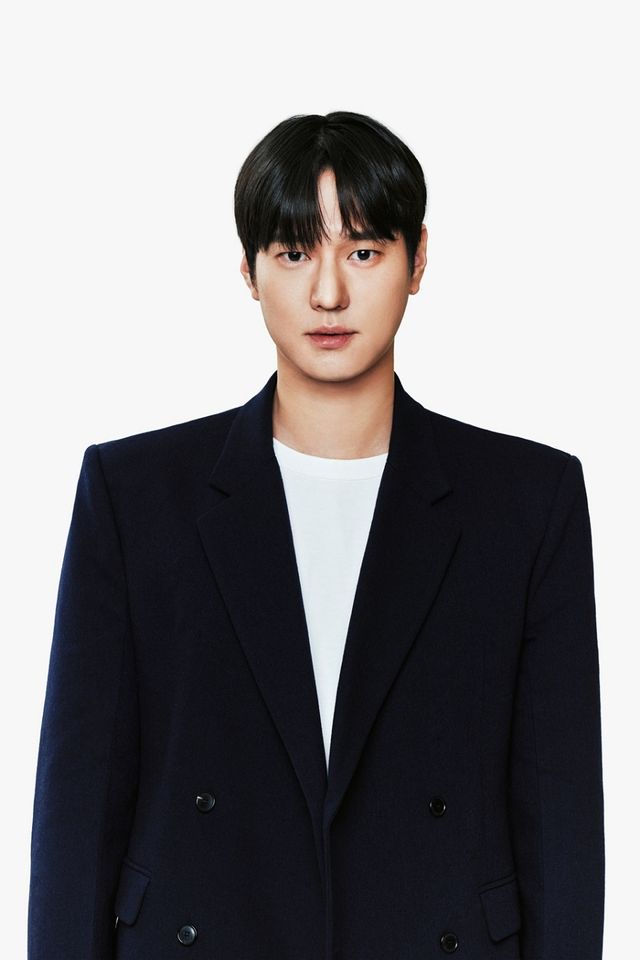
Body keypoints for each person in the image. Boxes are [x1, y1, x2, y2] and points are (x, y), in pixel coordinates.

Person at [28, 111, 605, 960]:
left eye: (363, 251)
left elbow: (561, 825)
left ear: (418, 261)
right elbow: (78, 815)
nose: (328, 293)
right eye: (295, 252)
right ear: (249, 269)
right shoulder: (135, 495)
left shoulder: (527, 500)